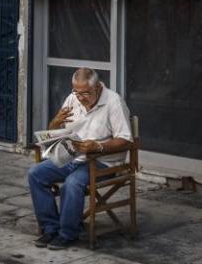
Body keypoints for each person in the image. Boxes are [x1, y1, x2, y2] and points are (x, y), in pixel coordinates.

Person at [27, 67, 133, 250]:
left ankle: (68, 234)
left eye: (85, 93)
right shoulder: (72, 98)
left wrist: (98, 146)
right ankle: (51, 228)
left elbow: (125, 139)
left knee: (72, 183)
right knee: (35, 173)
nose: (80, 97)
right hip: (73, 158)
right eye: (76, 92)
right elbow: (56, 131)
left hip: (103, 161)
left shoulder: (114, 102)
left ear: (98, 87)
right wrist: (54, 123)